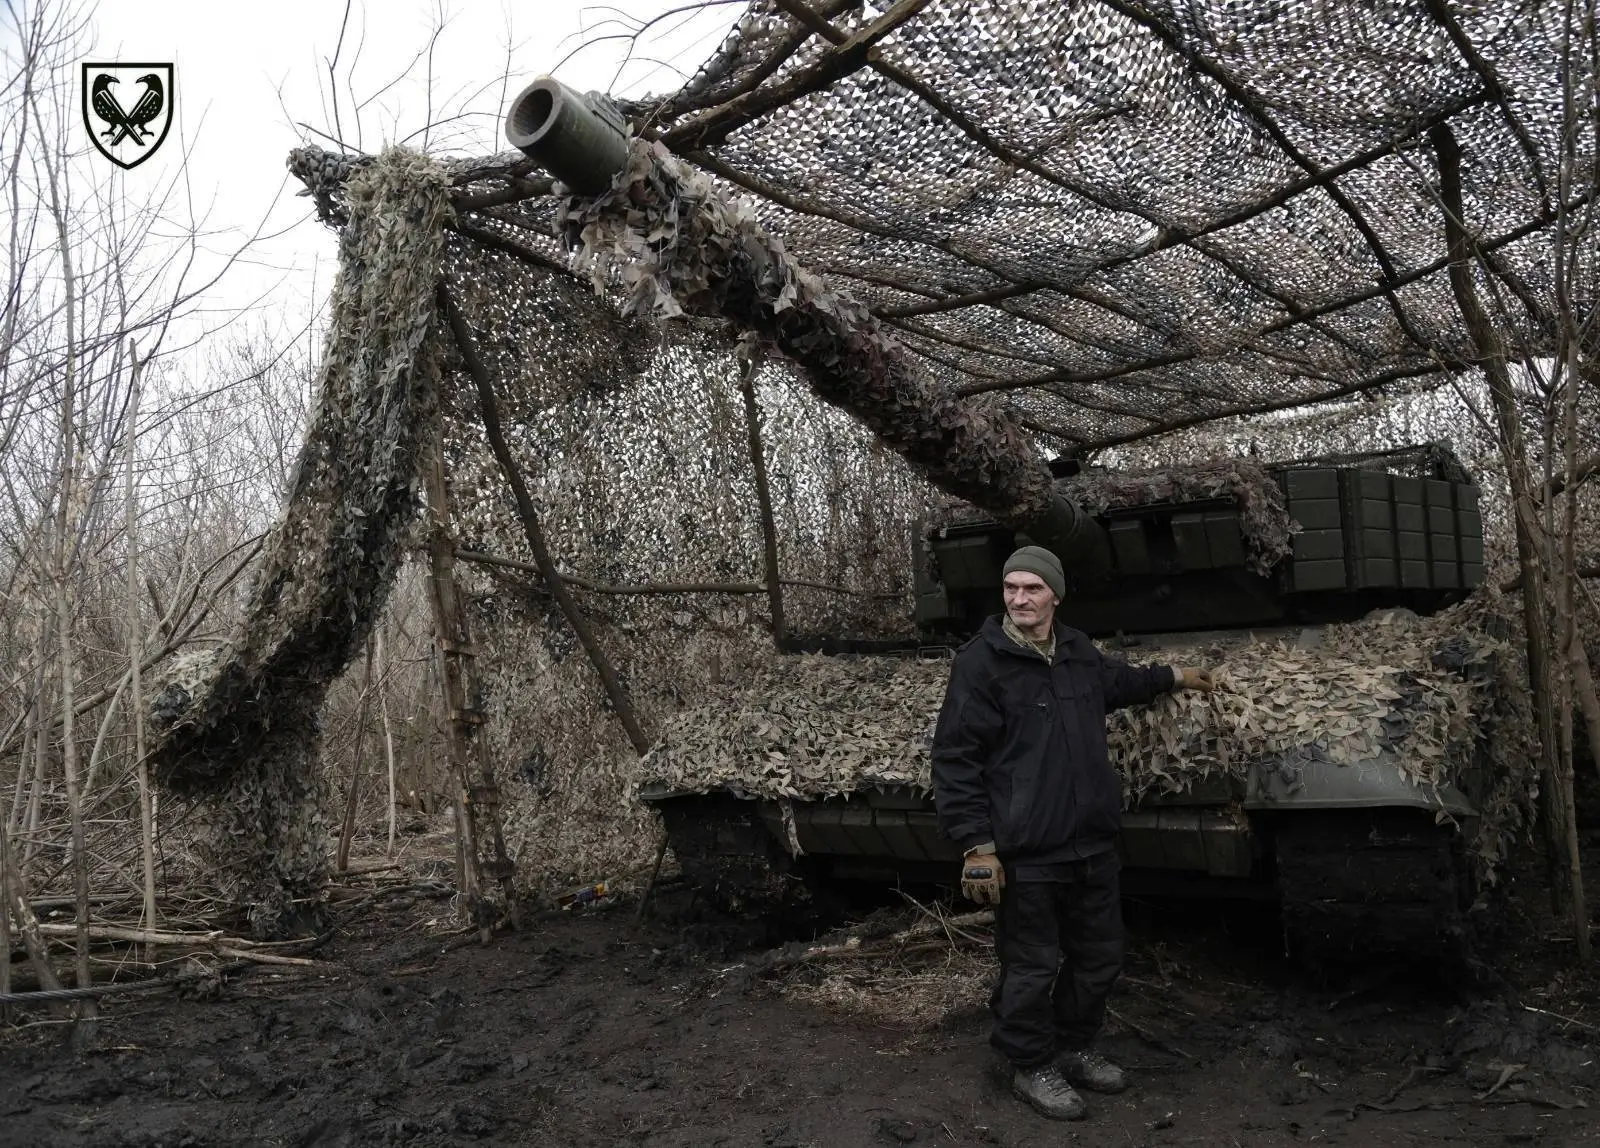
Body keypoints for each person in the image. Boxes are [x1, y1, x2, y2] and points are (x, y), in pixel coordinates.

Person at [930, 544, 1214, 1121]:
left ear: (1055, 594)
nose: (1019, 599)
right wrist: (977, 846)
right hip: (1026, 850)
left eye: (1032, 588)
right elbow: (955, 758)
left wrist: (1176, 677)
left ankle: (1073, 1046)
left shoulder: (1078, 651)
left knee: (1099, 958)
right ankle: (1030, 1064)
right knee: (1032, 966)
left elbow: (1119, 683)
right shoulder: (981, 662)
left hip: (1091, 842)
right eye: (1011, 588)